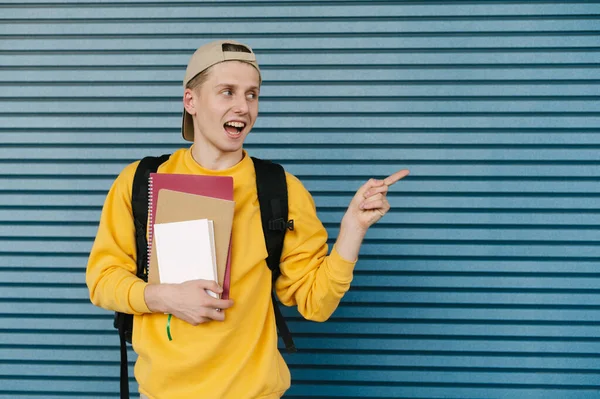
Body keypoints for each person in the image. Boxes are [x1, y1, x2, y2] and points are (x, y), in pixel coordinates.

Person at [86, 39, 409, 399]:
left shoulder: (280, 189)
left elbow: (316, 304)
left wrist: (353, 229)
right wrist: (163, 297)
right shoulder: (141, 181)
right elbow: (102, 281)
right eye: (227, 92)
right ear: (190, 101)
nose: (243, 106)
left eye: (252, 94)